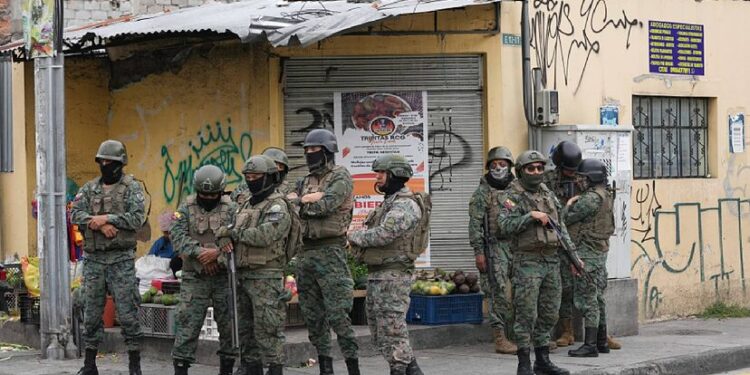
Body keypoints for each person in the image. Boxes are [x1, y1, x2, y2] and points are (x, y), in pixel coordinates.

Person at [348, 155, 429, 375]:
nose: (377, 177)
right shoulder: (390, 202)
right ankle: (408, 368)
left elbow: (385, 234)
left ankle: (402, 369)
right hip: (379, 275)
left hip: (392, 277)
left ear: (395, 174)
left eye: (381, 173)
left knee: (393, 330)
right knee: (381, 332)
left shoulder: (405, 205)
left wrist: (354, 236)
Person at [71, 140, 146, 375]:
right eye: (102, 161)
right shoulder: (90, 188)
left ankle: (135, 364)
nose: (105, 165)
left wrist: (107, 218)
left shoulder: (132, 187)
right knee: (91, 312)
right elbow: (75, 213)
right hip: (94, 260)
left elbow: (136, 218)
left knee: (127, 313)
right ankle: (90, 364)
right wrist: (100, 225)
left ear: (120, 163)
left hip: (120, 259)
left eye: (110, 162)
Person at [498, 150, 575, 375]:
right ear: (521, 172)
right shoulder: (512, 196)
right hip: (527, 261)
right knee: (526, 313)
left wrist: (573, 257)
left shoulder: (546, 193)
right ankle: (524, 363)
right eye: (531, 169)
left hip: (551, 261)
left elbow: (560, 228)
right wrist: (529, 216)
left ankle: (542, 361)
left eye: (540, 168)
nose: (536, 172)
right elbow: (503, 226)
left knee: (550, 312)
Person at [216, 155, 291, 375]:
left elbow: (265, 235)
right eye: (248, 177)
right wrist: (224, 238)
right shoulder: (245, 203)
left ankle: (275, 368)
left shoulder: (278, 205)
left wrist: (233, 234)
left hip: (266, 276)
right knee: (245, 329)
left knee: (268, 328)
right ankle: (251, 367)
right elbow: (226, 228)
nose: (251, 180)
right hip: (241, 274)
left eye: (256, 176)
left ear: (269, 177)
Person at [293, 129, 360, 375]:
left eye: (315, 150)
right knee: (313, 316)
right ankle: (325, 368)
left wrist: (304, 201)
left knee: (339, 316)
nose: (310, 154)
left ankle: (353, 367)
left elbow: (325, 206)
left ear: (327, 151)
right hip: (305, 253)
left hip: (331, 252)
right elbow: (291, 205)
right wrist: (306, 199)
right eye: (307, 150)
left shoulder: (340, 176)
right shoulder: (304, 181)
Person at [171, 165, 237, 375]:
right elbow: (178, 237)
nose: (207, 197)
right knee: (187, 325)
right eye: (203, 194)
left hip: (223, 277)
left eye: (212, 194)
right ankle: (181, 368)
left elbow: (237, 238)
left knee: (228, 326)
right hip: (194, 276)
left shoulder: (232, 208)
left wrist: (217, 256)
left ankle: (226, 369)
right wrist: (201, 255)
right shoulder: (185, 208)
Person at [468, 146, 517, 354]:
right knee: (497, 293)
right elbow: (475, 224)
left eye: (502, 164)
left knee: (521, 292)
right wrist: (479, 252)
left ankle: (520, 335)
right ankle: (500, 337)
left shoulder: (517, 188)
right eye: (494, 164)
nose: (498, 168)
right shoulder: (482, 192)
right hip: (494, 247)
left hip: (516, 246)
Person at [565, 159, 616, 357]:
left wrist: (568, 204)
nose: (578, 181)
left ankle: (590, 345)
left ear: (592, 178)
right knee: (597, 298)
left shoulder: (589, 199)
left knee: (587, 299)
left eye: (582, 177)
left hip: (587, 252)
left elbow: (565, 219)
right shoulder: (605, 195)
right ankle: (601, 341)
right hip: (599, 251)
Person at [543, 140, 584, 349]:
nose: (571, 174)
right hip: (557, 240)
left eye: (573, 170)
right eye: (567, 170)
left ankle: (599, 332)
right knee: (564, 287)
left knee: (589, 288)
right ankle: (566, 331)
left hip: (580, 238)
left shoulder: (583, 177)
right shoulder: (548, 180)